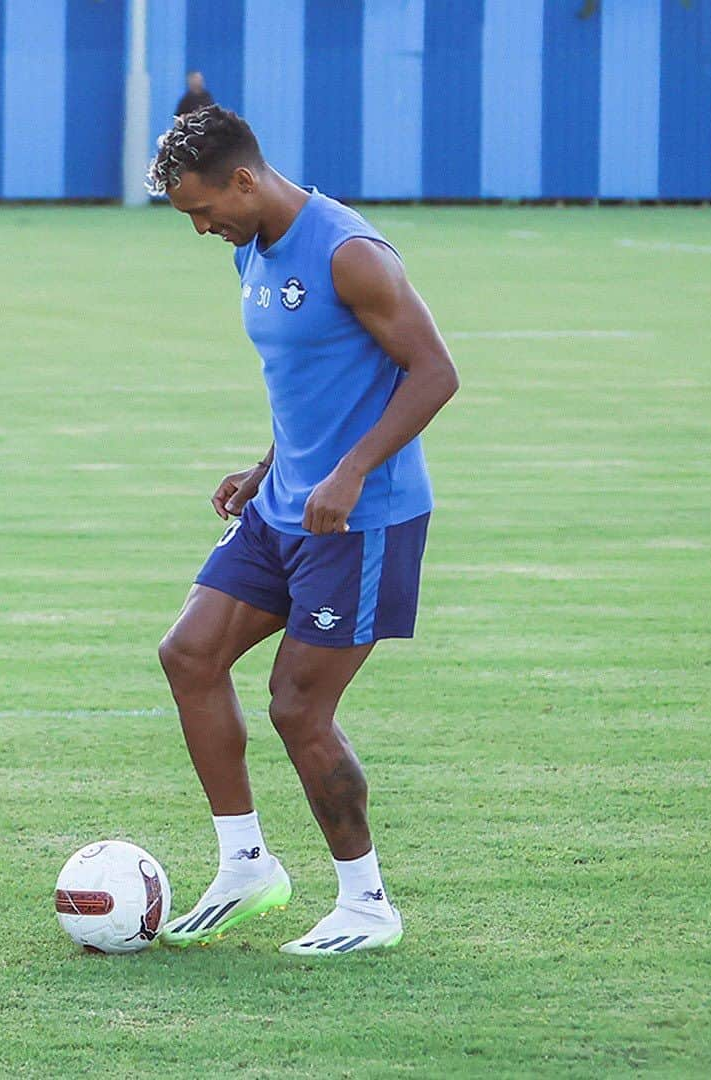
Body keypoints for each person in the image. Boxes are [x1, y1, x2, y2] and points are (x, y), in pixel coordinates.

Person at [145, 106, 458, 956]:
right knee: (190, 654)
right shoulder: (251, 246)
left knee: (298, 707)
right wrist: (264, 465)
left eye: (204, 210)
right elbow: (314, 378)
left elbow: (434, 373)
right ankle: (246, 865)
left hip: (362, 519)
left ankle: (366, 905)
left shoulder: (349, 253)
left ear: (244, 179)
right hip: (284, 503)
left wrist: (350, 471)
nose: (202, 228)